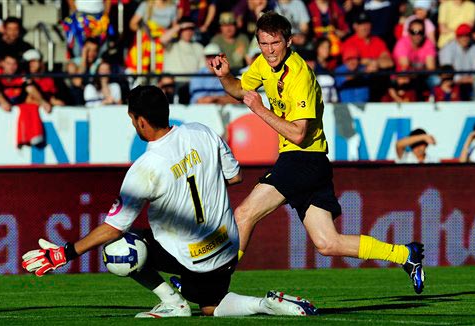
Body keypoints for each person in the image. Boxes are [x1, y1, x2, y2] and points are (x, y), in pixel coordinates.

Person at [21, 85, 317, 318]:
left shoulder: (145, 168)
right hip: (227, 249)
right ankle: (263, 304)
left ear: (139, 121)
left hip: (193, 260)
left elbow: (113, 228)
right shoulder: (202, 131)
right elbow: (235, 177)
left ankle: (172, 302)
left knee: (118, 250)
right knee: (211, 308)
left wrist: (66, 253)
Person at [208, 11, 425, 295]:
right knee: (327, 243)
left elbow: (298, 134)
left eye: (275, 43)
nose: (270, 51)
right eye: (264, 44)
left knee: (244, 214)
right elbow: (240, 89)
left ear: (288, 41)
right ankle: (403, 255)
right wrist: (225, 77)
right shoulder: (263, 63)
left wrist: (259, 110)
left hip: (303, 158)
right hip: (311, 162)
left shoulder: (299, 75)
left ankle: (208, 284)